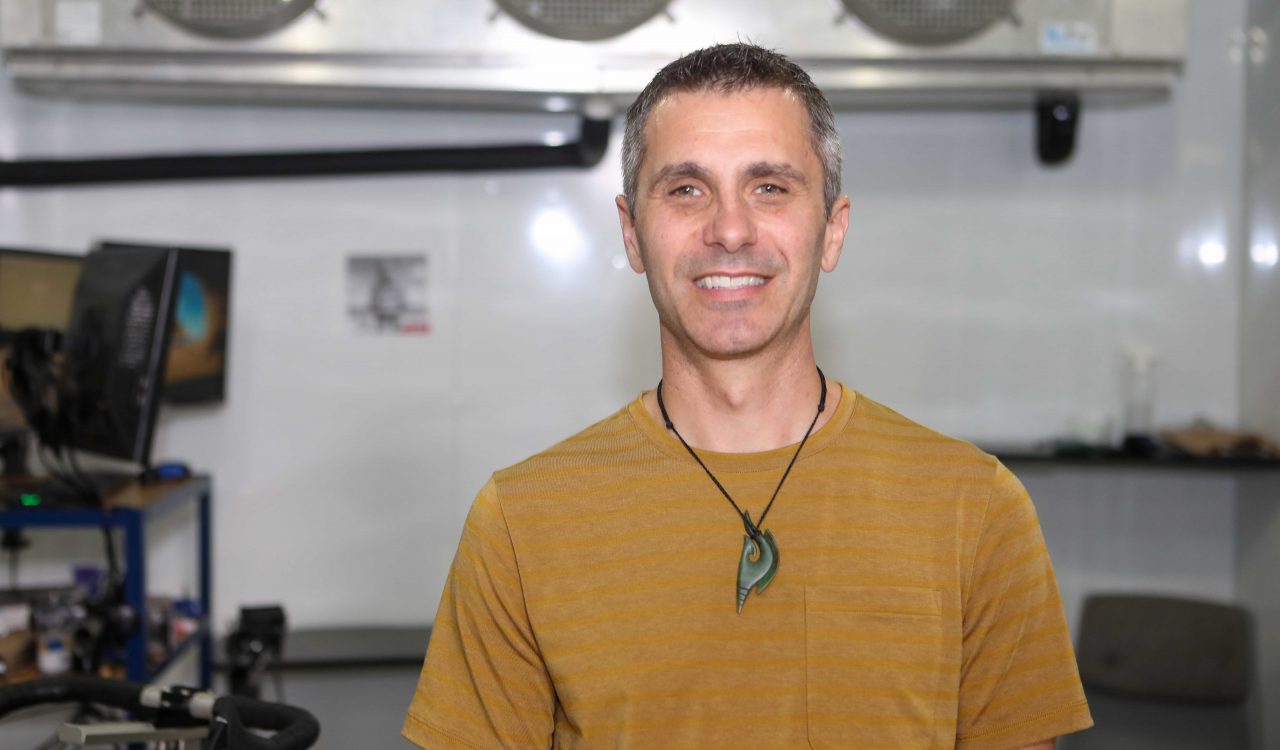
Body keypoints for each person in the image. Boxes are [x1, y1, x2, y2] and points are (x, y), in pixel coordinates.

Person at [404, 43, 1092, 749]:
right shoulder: (520, 523)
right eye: (686, 189)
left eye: (769, 187)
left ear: (833, 229)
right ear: (631, 233)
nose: (729, 230)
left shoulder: (975, 511)